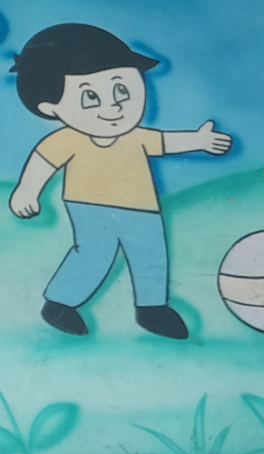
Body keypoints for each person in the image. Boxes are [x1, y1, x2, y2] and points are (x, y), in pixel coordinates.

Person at [8, 23, 234, 340]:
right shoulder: (68, 140)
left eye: (122, 90)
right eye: (90, 97)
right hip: (89, 205)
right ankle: (59, 303)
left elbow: (165, 142)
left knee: (151, 255)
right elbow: (43, 162)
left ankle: (151, 309)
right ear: (49, 107)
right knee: (94, 254)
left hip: (142, 207)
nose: (114, 106)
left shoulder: (136, 137)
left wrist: (198, 140)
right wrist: (27, 191)